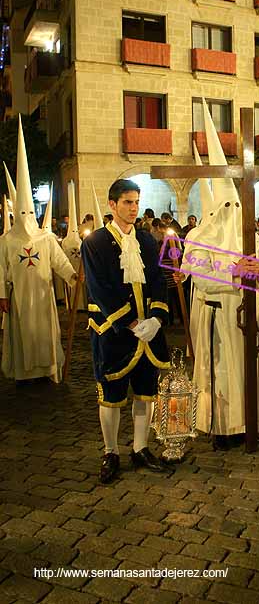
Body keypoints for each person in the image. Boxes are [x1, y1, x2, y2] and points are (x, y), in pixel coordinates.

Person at [181, 98, 259, 451]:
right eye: (225, 205)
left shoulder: (248, 233)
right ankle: (221, 427)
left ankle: (252, 423)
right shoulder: (197, 237)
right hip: (218, 316)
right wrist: (234, 272)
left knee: (251, 372)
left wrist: (256, 272)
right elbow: (200, 277)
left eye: (235, 203)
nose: (231, 211)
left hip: (251, 315)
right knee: (221, 373)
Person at [81, 179, 172, 484]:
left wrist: (157, 318)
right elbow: (99, 289)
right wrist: (132, 323)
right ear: (112, 205)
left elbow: (158, 279)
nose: (133, 208)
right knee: (111, 396)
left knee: (145, 394)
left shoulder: (146, 241)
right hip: (114, 331)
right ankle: (110, 452)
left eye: (136, 202)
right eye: (127, 203)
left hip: (149, 331)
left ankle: (141, 448)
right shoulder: (94, 242)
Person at [0, 116, 77, 385]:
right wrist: (2, 296)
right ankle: (24, 372)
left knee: (43, 331)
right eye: (22, 211)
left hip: (44, 295)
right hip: (19, 296)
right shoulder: (7, 240)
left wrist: (72, 277)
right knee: (24, 333)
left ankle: (46, 369)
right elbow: (0, 271)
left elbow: (60, 261)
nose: (26, 215)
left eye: (29, 211)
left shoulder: (45, 238)